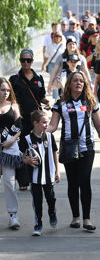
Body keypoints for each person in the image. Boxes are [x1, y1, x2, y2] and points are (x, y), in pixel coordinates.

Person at [48, 72, 100, 232]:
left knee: (85, 181)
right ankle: (75, 217)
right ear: (69, 83)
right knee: (73, 183)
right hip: (69, 149)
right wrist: (41, 130)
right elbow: (53, 126)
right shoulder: (60, 103)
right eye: (75, 80)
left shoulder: (90, 102)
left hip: (87, 148)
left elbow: (99, 125)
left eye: (81, 81)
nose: (78, 83)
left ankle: (86, 219)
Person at [9, 49, 51, 191]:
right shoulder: (14, 79)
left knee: (35, 147)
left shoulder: (38, 78)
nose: (25, 63)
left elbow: (41, 96)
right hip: (20, 119)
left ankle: (36, 178)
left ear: (32, 61)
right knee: (21, 148)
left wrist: (48, 102)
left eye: (28, 60)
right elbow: (9, 98)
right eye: (23, 60)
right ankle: (23, 181)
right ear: (20, 61)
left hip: (35, 120)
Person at [21, 110, 60, 236]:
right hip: (35, 177)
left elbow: (55, 153)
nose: (46, 124)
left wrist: (57, 171)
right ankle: (38, 224)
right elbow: (21, 155)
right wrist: (26, 160)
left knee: (51, 198)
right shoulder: (27, 139)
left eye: (47, 122)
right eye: (43, 122)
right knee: (37, 202)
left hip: (48, 175)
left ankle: (52, 213)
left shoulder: (49, 136)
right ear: (35, 123)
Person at [0, 78, 22, 229]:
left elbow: (19, 126)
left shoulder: (13, 106)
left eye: (8, 90)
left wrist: (11, 141)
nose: (5, 93)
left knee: (10, 182)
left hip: (9, 148)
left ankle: (13, 215)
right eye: (2, 90)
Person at [42, 30, 65, 100]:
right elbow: (46, 56)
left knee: (61, 80)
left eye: (59, 36)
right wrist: (43, 65)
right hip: (52, 64)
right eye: (56, 36)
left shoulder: (63, 46)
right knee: (54, 80)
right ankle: (56, 98)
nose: (58, 38)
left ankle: (62, 96)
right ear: (53, 37)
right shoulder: (50, 46)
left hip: (61, 65)